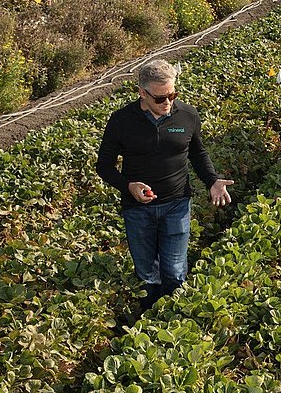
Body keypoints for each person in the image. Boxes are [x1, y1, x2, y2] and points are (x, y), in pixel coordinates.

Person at [96, 59, 234, 311]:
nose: (168, 103)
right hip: (137, 209)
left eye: (172, 95)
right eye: (160, 98)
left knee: (174, 270)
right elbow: (103, 166)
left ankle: (172, 318)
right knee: (147, 273)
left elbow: (198, 154)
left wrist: (212, 181)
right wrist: (129, 187)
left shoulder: (188, 115)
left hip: (176, 204)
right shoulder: (121, 121)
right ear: (142, 93)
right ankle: (149, 316)